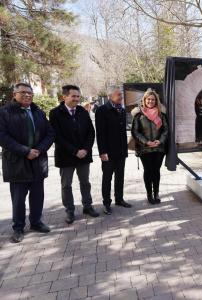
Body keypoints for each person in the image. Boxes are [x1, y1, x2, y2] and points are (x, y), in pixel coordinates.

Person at [0, 83, 54, 243]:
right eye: (23, 92)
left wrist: (39, 149)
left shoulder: (38, 112)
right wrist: (26, 151)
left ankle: (36, 222)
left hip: (38, 161)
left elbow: (50, 133)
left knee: (38, 196)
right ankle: (18, 228)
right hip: (17, 163)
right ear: (14, 94)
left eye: (30, 93)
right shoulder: (4, 113)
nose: (27, 95)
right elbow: (3, 137)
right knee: (18, 198)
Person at [49, 85, 99, 224]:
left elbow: (91, 132)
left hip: (84, 155)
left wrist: (85, 149)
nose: (77, 99)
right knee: (66, 185)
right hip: (66, 156)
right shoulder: (55, 113)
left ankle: (87, 206)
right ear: (64, 97)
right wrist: (74, 151)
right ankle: (69, 211)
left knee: (85, 183)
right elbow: (56, 136)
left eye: (78, 96)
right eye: (73, 96)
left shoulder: (83, 111)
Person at [95, 86, 130, 215]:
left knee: (120, 177)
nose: (121, 97)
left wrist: (125, 150)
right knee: (107, 178)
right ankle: (106, 203)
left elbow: (122, 132)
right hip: (108, 152)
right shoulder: (102, 110)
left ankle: (119, 199)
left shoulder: (121, 110)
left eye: (121, 95)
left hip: (121, 152)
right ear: (110, 96)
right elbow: (100, 133)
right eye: (118, 95)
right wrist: (102, 152)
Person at [132, 89, 168, 204]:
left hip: (159, 148)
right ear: (144, 100)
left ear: (156, 101)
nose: (151, 101)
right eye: (148, 99)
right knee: (148, 171)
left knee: (156, 171)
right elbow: (135, 131)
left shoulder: (161, 114)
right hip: (145, 149)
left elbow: (166, 130)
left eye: (153, 99)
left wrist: (160, 141)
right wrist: (146, 142)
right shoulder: (139, 115)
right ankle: (149, 195)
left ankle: (156, 193)